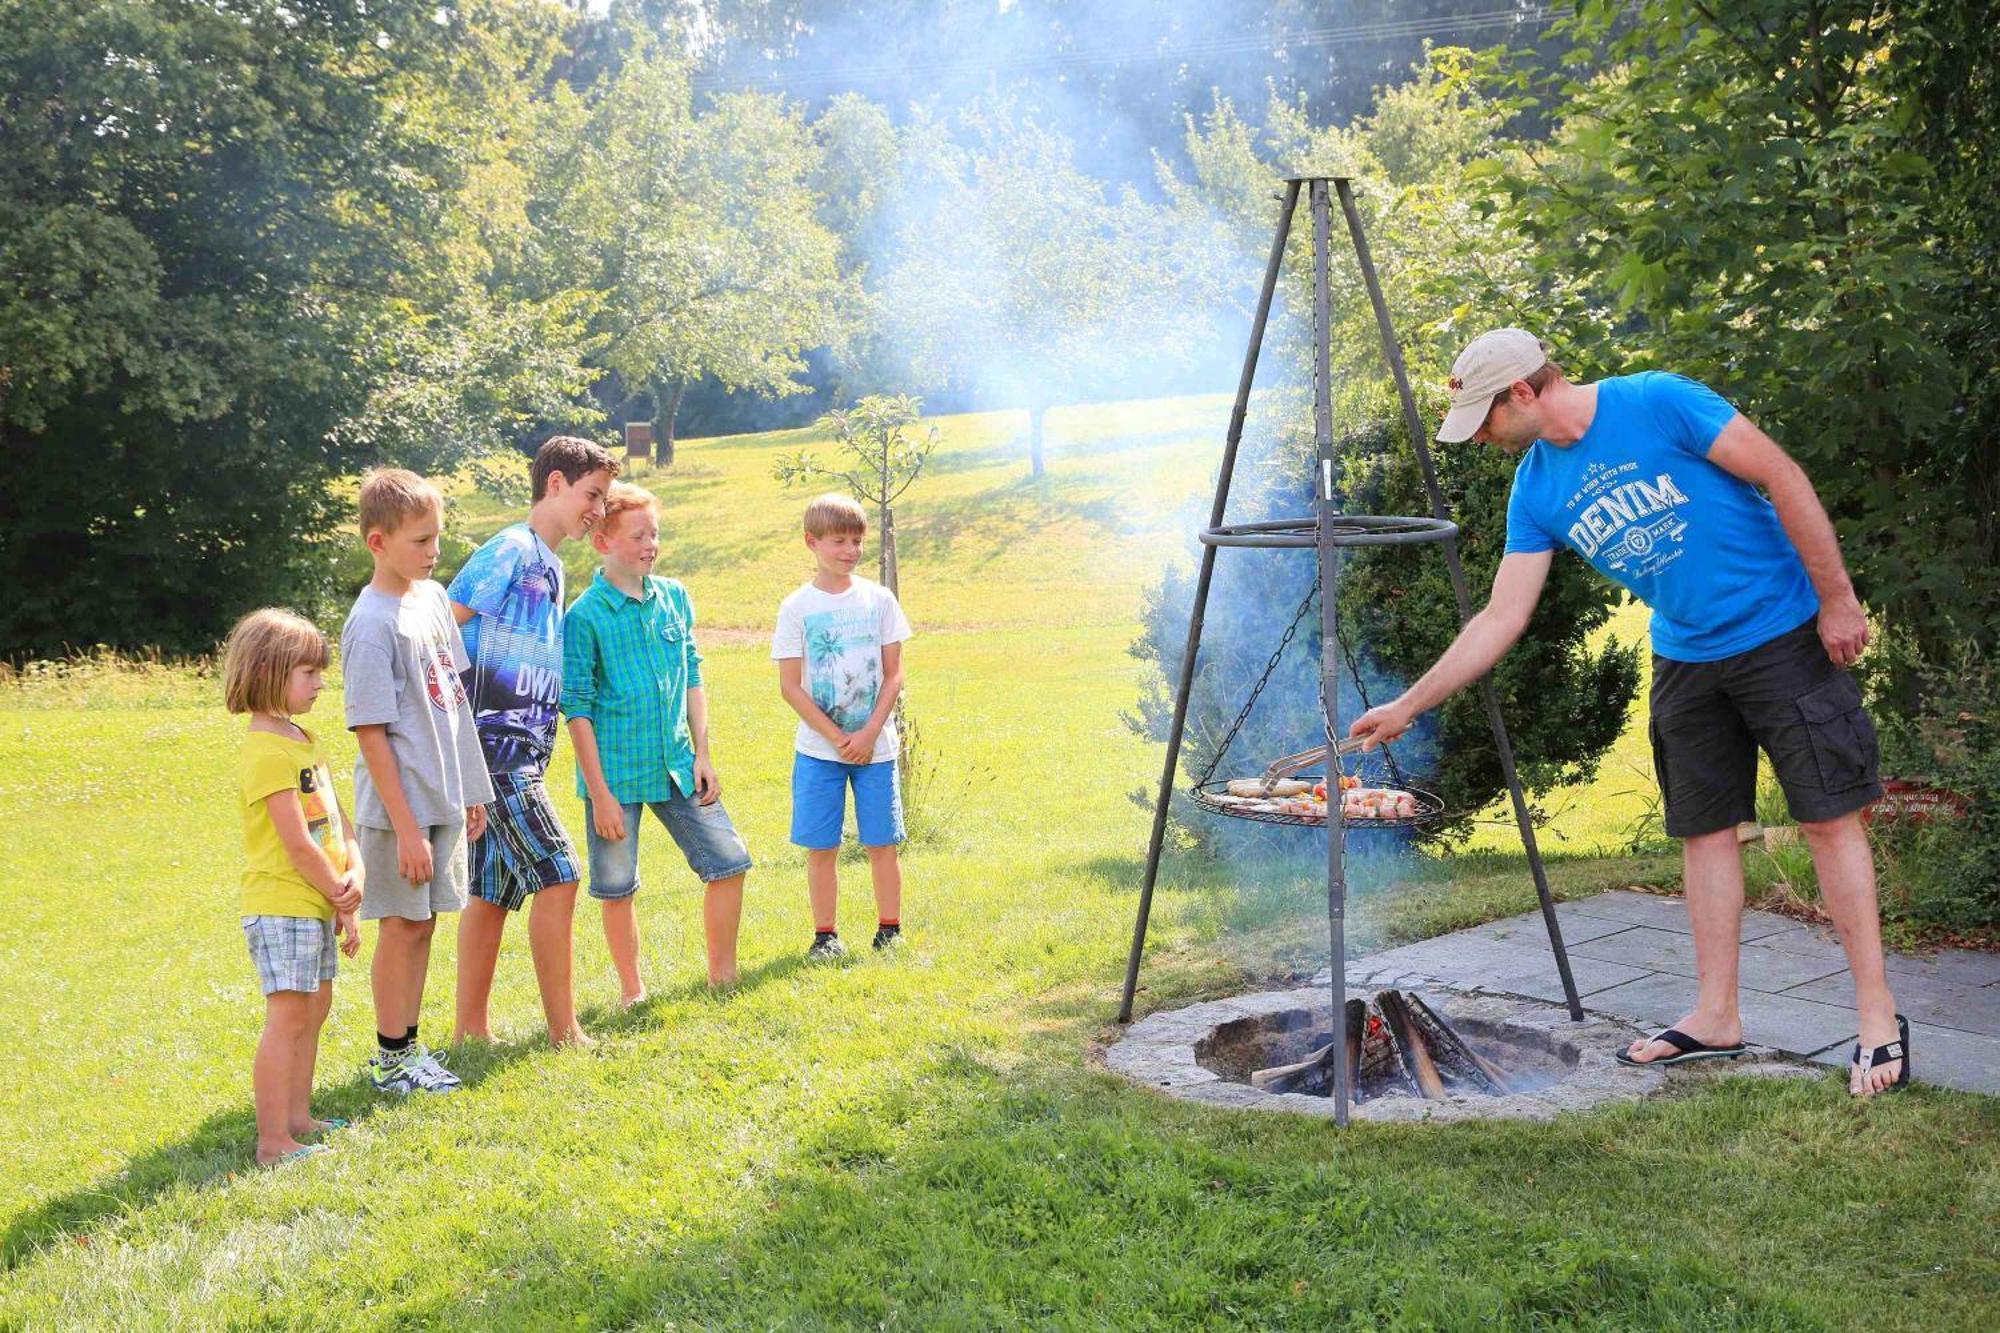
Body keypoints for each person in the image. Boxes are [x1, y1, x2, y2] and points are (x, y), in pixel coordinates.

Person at [1347, 328, 1908, 1095]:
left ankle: (1877, 1015)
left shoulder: (1658, 401)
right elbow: (1502, 617)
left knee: (1827, 818)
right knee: (1705, 832)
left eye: (1485, 419)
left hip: (1780, 631)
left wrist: (1837, 598)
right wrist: (1410, 704)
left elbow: (1782, 474)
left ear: (1523, 392)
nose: (1481, 438)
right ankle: (1716, 1015)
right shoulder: (1537, 487)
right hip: (1685, 656)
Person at [447, 436, 618, 1047]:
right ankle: (563, 1030)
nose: (597, 509)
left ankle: (470, 1033)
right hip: (494, 748)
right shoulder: (512, 550)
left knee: (491, 891)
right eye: (591, 494)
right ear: (555, 484)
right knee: (561, 873)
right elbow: (444, 625)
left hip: (523, 751)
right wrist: (453, 721)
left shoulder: (551, 564)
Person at [562, 483, 751, 995]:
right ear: (603, 542)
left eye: (656, 534)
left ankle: (723, 975)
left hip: (678, 764)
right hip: (615, 776)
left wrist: (703, 753)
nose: (651, 544)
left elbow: (692, 673)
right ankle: (632, 990)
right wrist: (598, 794)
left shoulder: (674, 598)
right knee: (617, 888)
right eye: (638, 535)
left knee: (730, 861)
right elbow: (576, 708)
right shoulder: (583, 617)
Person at [341, 469, 494, 1095]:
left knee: (427, 923)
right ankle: (390, 1058)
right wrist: (406, 830)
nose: (434, 553)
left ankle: (409, 1046)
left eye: (437, 539)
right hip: (397, 807)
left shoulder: (430, 599)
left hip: (442, 794)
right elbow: (371, 734)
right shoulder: (370, 623)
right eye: (420, 542)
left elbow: (452, 701)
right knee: (401, 927)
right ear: (378, 543)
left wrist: (473, 788)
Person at [223, 608, 363, 1166]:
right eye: (308, 673)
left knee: (316, 1007)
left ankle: (299, 1117)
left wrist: (354, 877)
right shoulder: (264, 751)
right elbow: (296, 842)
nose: (321, 683)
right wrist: (339, 891)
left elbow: (333, 820)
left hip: (319, 898)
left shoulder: (304, 738)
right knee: (288, 1015)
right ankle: (271, 1141)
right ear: (268, 671)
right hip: (284, 903)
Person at [773, 494, 913, 961]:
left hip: (877, 747)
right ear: (812, 542)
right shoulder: (797, 607)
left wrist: (870, 733)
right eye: (839, 541)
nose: (850, 550)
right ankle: (825, 936)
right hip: (819, 751)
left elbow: (894, 674)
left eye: (857, 540)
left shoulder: (880, 599)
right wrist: (838, 739)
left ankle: (889, 930)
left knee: (882, 842)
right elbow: (790, 687)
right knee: (822, 846)